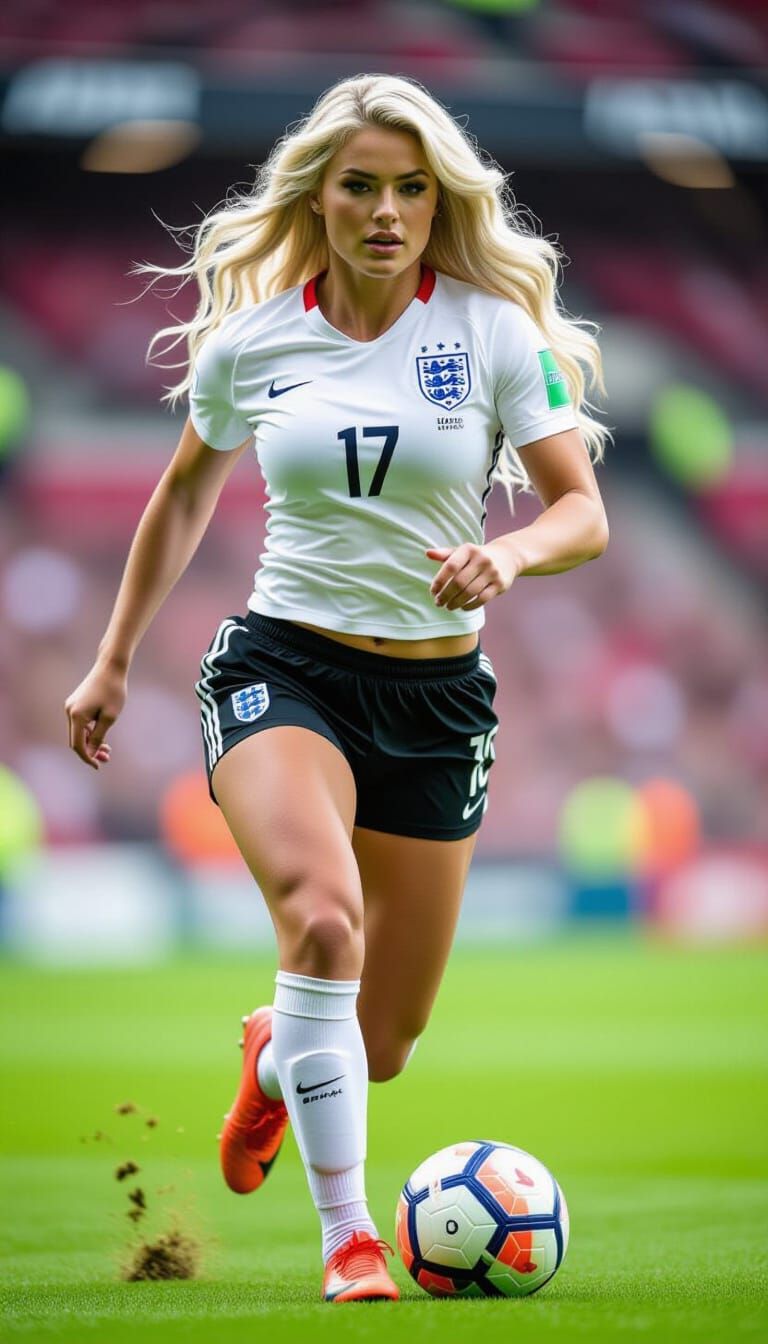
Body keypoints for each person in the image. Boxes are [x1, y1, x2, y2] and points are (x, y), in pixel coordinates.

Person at [65, 72, 609, 1303]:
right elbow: (186, 492)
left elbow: (582, 511)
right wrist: (111, 659)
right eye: (360, 185)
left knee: (382, 1046)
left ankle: (272, 1063)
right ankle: (349, 1238)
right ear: (317, 198)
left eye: (411, 189)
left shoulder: (489, 334)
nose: (386, 210)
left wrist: (506, 553)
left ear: (437, 203)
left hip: (434, 702)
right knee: (321, 920)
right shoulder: (255, 342)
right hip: (283, 668)